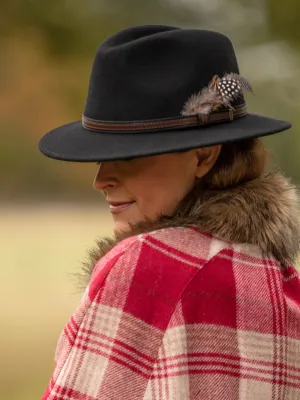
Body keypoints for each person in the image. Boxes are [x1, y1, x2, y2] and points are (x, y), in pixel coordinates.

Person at [39, 25, 300, 400]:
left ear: (204, 156)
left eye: (127, 155)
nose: (101, 180)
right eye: (102, 156)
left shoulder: (146, 266)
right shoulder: (280, 280)